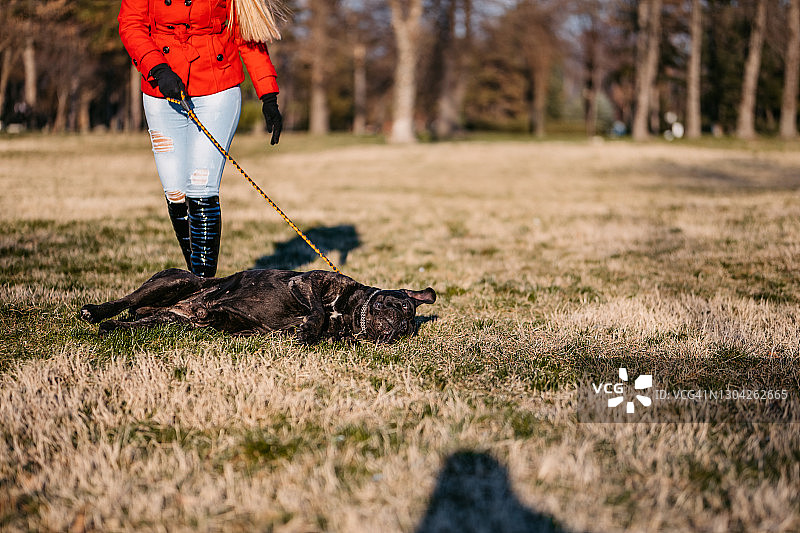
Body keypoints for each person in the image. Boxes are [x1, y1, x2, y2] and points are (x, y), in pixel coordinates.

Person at [118, 0, 287, 277]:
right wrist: (158, 69)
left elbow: (247, 33)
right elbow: (131, 24)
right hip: (161, 88)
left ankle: (204, 290)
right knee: (176, 192)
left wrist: (268, 95)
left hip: (217, 88)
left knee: (201, 187)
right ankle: (196, 283)